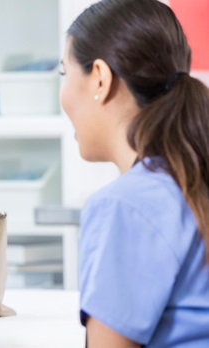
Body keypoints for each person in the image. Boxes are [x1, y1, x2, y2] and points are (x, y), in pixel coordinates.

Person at [60, 0, 209, 347]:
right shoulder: (192, 182)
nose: (63, 93)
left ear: (100, 77)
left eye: (64, 73)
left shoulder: (125, 206)